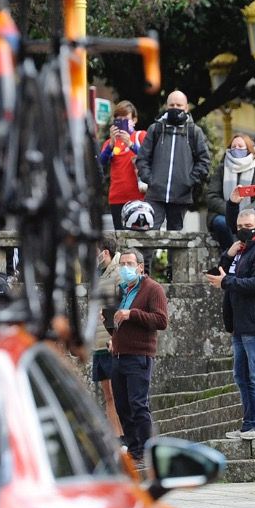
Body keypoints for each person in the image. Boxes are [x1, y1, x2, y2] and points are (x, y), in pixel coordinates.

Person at [210, 209, 255, 441]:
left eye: (247, 225)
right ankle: (250, 422)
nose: (242, 229)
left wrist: (227, 281)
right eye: (239, 225)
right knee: (242, 376)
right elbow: (223, 274)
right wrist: (228, 255)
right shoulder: (242, 250)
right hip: (240, 323)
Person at [108, 249, 169, 467]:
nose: (125, 267)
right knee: (123, 405)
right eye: (122, 263)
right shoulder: (123, 290)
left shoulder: (153, 289)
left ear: (140, 266)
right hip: (118, 354)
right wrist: (111, 330)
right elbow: (120, 321)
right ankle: (134, 450)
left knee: (138, 404)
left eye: (130, 263)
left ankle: (147, 451)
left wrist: (131, 314)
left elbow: (161, 320)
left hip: (139, 355)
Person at [135, 91, 211, 231]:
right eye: (172, 105)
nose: (175, 108)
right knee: (148, 233)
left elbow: (204, 161)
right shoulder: (155, 129)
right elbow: (142, 158)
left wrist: (189, 181)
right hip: (155, 195)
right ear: (166, 106)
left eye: (179, 105)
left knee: (176, 239)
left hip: (181, 196)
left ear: (186, 107)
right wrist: (150, 179)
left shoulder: (194, 132)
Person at [208, 133, 255, 251]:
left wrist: (247, 212)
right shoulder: (221, 169)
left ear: (248, 149)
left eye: (240, 146)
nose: (236, 149)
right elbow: (211, 196)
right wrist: (231, 209)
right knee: (221, 223)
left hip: (251, 213)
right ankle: (230, 252)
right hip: (224, 214)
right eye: (233, 147)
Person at [92, 236, 125, 441]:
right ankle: (114, 437)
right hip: (98, 341)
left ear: (105, 252)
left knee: (117, 394)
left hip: (112, 340)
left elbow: (125, 303)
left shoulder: (119, 271)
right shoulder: (98, 274)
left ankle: (123, 436)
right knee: (108, 397)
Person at [99, 101, 146, 230]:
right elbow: (100, 163)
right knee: (120, 241)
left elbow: (148, 157)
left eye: (126, 119)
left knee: (137, 240)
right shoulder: (110, 142)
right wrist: (110, 145)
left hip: (138, 199)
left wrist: (130, 144)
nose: (122, 122)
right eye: (118, 119)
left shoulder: (140, 136)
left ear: (134, 120)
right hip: (116, 198)